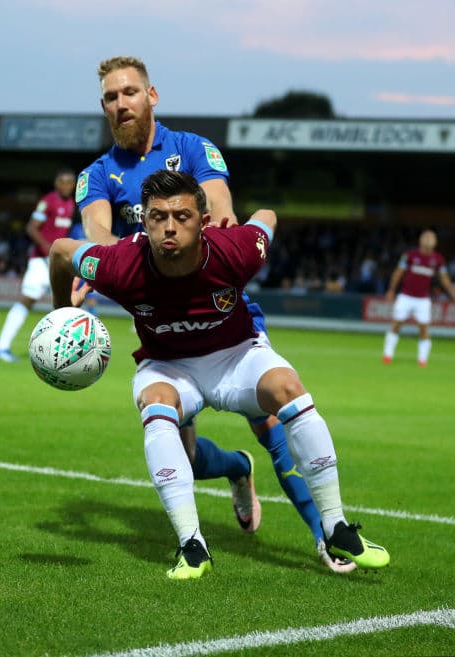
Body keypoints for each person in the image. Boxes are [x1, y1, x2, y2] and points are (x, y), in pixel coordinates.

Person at [77, 56, 349, 572]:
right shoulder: (96, 176)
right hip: (163, 334)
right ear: (104, 107)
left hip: (220, 317)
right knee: (187, 456)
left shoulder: (194, 150)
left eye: (130, 92)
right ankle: (236, 470)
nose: (121, 104)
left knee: (272, 423)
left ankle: (325, 537)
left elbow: (221, 214)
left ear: (151, 96)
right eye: (111, 97)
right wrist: (108, 264)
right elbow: (98, 238)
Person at [50, 171, 390, 578]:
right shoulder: (119, 264)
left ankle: (335, 526)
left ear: (204, 221)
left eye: (182, 215)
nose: (170, 226)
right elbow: (59, 251)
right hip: (169, 367)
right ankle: (192, 544)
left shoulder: (238, 250)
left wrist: (239, 218)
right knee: (157, 406)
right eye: (158, 217)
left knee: (288, 388)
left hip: (236, 358)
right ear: (145, 223)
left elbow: (267, 216)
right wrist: (62, 314)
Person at [0, 169, 78, 361]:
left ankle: (65, 353)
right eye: (63, 181)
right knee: (28, 300)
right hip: (41, 261)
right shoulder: (48, 201)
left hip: (59, 262)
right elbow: (31, 227)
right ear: (56, 183)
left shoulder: (71, 204)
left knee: (67, 305)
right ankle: (1, 347)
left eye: (70, 182)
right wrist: (48, 248)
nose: (66, 185)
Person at [382, 229, 455, 366]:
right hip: (405, 296)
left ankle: (422, 360)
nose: (428, 240)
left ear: (435, 242)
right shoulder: (410, 256)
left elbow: (444, 277)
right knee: (396, 324)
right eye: (426, 237)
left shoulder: (438, 259)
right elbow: (398, 272)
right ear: (420, 240)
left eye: (431, 238)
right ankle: (387, 356)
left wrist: (451, 291)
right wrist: (391, 289)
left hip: (423, 299)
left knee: (424, 329)